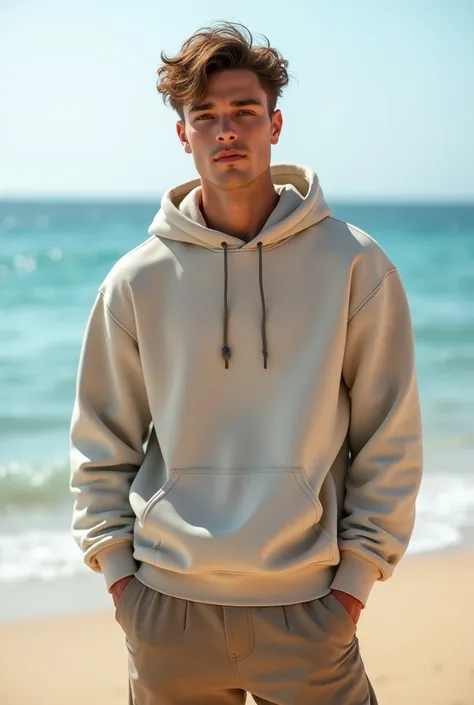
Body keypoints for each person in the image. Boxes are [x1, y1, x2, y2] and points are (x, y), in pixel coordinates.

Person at [70, 21, 423, 705]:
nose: (225, 129)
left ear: (276, 123)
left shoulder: (354, 263)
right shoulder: (136, 279)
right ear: (183, 134)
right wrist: (121, 583)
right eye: (205, 116)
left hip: (309, 610)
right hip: (166, 611)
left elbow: (391, 435)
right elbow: (100, 442)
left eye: (244, 112)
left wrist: (352, 587)